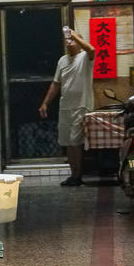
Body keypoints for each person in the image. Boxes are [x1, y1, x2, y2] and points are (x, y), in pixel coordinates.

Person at [39, 28, 95, 186]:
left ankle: (78, 175)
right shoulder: (62, 60)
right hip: (65, 106)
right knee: (68, 142)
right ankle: (73, 174)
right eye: (67, 40)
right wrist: (45, 103)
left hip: (81, 106)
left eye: (72, 40)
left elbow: (91, 49)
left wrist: (75, 36)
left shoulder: (85, 57)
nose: (69, 43)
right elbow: (56, 84)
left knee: (75, 141)